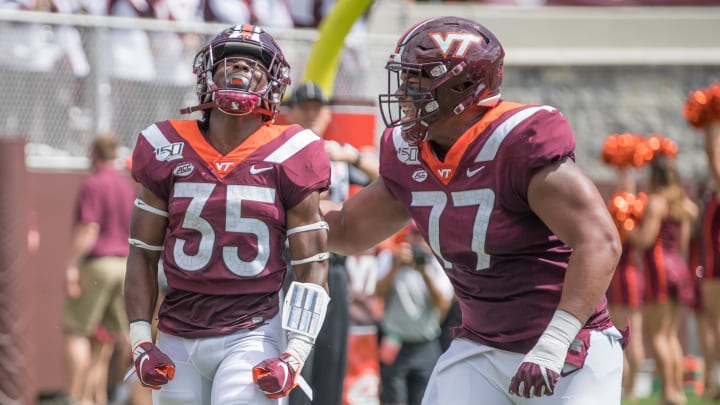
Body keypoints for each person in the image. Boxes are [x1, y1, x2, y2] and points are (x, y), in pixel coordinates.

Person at [321, 16, 625, 404]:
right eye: (405, 79)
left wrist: (555, 340)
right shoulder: (409, 153)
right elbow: (347, 229)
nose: (404, 93)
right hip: (481, 347)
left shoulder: (517, 142)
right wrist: (276, 208)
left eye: (419, 80)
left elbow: (599, 242)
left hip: (567, 346)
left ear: (463, 87)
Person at [123, 24, 331, 404]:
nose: (239, 68)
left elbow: (313, 264)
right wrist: (140, 339)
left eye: (255, 63)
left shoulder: (293, 150)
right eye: (228, 60)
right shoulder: (164, 144)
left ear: (274, 81)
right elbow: (141, 251)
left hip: (252, 331)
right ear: (206, 72)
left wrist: (295, 352)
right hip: (176, 332)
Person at [283, 81, 379, 405]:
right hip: (291, 268)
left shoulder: (338, 156)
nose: (311, 114)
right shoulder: (279, 151)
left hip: (334, 267)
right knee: (294, 357)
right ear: (290, 112)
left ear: (327, 114)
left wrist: (350, 155)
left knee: (332, 358)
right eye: (304, 107)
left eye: (317, 107)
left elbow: (388, 182)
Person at [63, 134, 136, 405]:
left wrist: (71, 266)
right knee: (104, 340)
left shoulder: (93, 184)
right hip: (123, 264)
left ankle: (72, 397)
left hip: (99, 264)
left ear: (93, 154)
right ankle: (94, 398)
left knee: (77, 332)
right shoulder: (124, 186)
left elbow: (89, 229)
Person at [625, 144, 698, 405]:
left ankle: (668, 394)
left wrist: (626, 230)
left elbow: (645, 240)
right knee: (670, 335)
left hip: (659, 270)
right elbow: (683, 244)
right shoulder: (683, 204)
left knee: (657, 336)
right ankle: (677, 390)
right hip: (679, 267)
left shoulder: (656, 202)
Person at [375, 222, 454, 405]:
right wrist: (396, 267)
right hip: (395, 342)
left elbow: (443, 303)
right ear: (407, 236)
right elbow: (377, 293)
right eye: (415, 234)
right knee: (392, 399)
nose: (418, 240)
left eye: (422, 236)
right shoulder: (390, 258)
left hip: (425, 344)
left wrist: (423, 272)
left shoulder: (436, 264)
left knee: (424, 400)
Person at [684, 83, 720, 399]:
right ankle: (710, 380)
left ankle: (713, 379)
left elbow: (712, 157)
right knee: (708, 324)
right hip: (708, 262)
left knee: (713, 322)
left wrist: (711, 120)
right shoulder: (708, 196)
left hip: (716, 263)